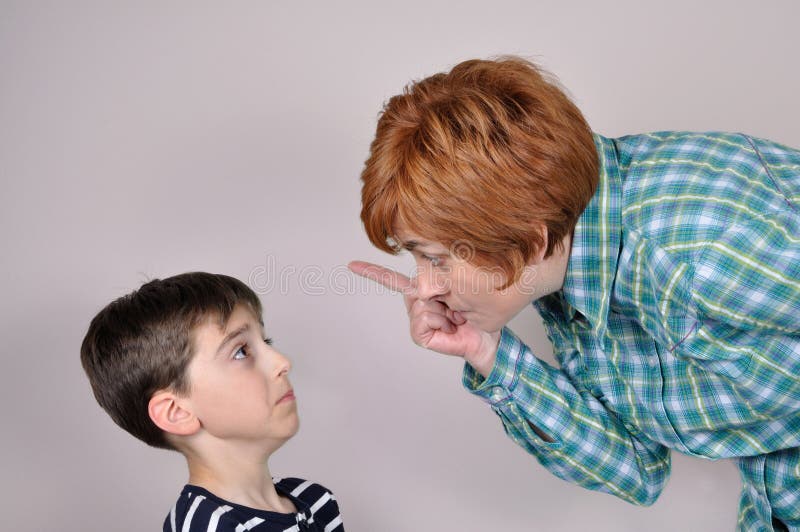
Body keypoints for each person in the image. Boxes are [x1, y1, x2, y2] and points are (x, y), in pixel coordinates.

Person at [349, 56, 800, 531]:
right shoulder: (561, 264)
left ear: (532, 238)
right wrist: (488, 354)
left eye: (438, 258)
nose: (426, 288)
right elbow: (638, 470)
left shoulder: (702, 246)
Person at [80, 272, 345, 532]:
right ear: (177, 412)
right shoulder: (204, 526)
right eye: (241, 351)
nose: (282, 362)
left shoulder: (316, 501)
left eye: (266, 341)